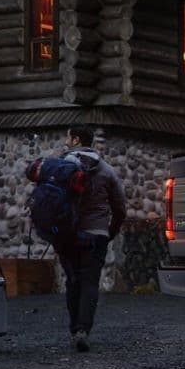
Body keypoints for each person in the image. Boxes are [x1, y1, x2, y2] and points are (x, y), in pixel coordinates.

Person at [54, 125, 127, 352]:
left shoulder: (60, 168)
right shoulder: (106, 171)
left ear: (76, 140)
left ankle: (74, 328)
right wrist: (110, 232)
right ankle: (84, 329)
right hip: (96, 235)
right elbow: (120, 208)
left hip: (69, 235)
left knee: (72, 280)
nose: (66, 142)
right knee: (89, 282)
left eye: (68, 138)